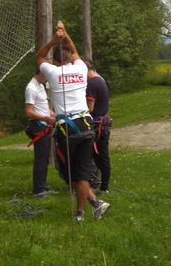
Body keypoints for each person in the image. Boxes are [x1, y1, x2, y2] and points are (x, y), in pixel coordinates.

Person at [36, 20, 111, 221]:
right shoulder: (79, 68)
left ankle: (90, 206)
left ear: (55, 60)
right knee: (83, 171)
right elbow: (75, 52)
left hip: (67, 129)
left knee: (71, 173)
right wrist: (65, 34)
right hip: (86, 125)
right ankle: (85, 210)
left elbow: (39, 56)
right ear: (70, 59)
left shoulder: (51, 72)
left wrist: (53, 40)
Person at [24, 69, 56, 197]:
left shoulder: (40, 86)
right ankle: (38, 188)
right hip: (38, 126)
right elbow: (29, 112)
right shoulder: (31, 88)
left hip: (45, 124)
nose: (48, 79)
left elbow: (43, 107)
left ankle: (43, 184)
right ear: (41, 73)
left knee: (45, 157)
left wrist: (57, 114)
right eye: (47, 77)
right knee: (41, 158)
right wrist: (46, 119)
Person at [83, 57, 112, 194]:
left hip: (96, 125)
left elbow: (90, 108)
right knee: (102, 156)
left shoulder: (92, 84)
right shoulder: (100, 80)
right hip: (103, 123)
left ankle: (97, 185)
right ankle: (104, 185)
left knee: (93, 157)